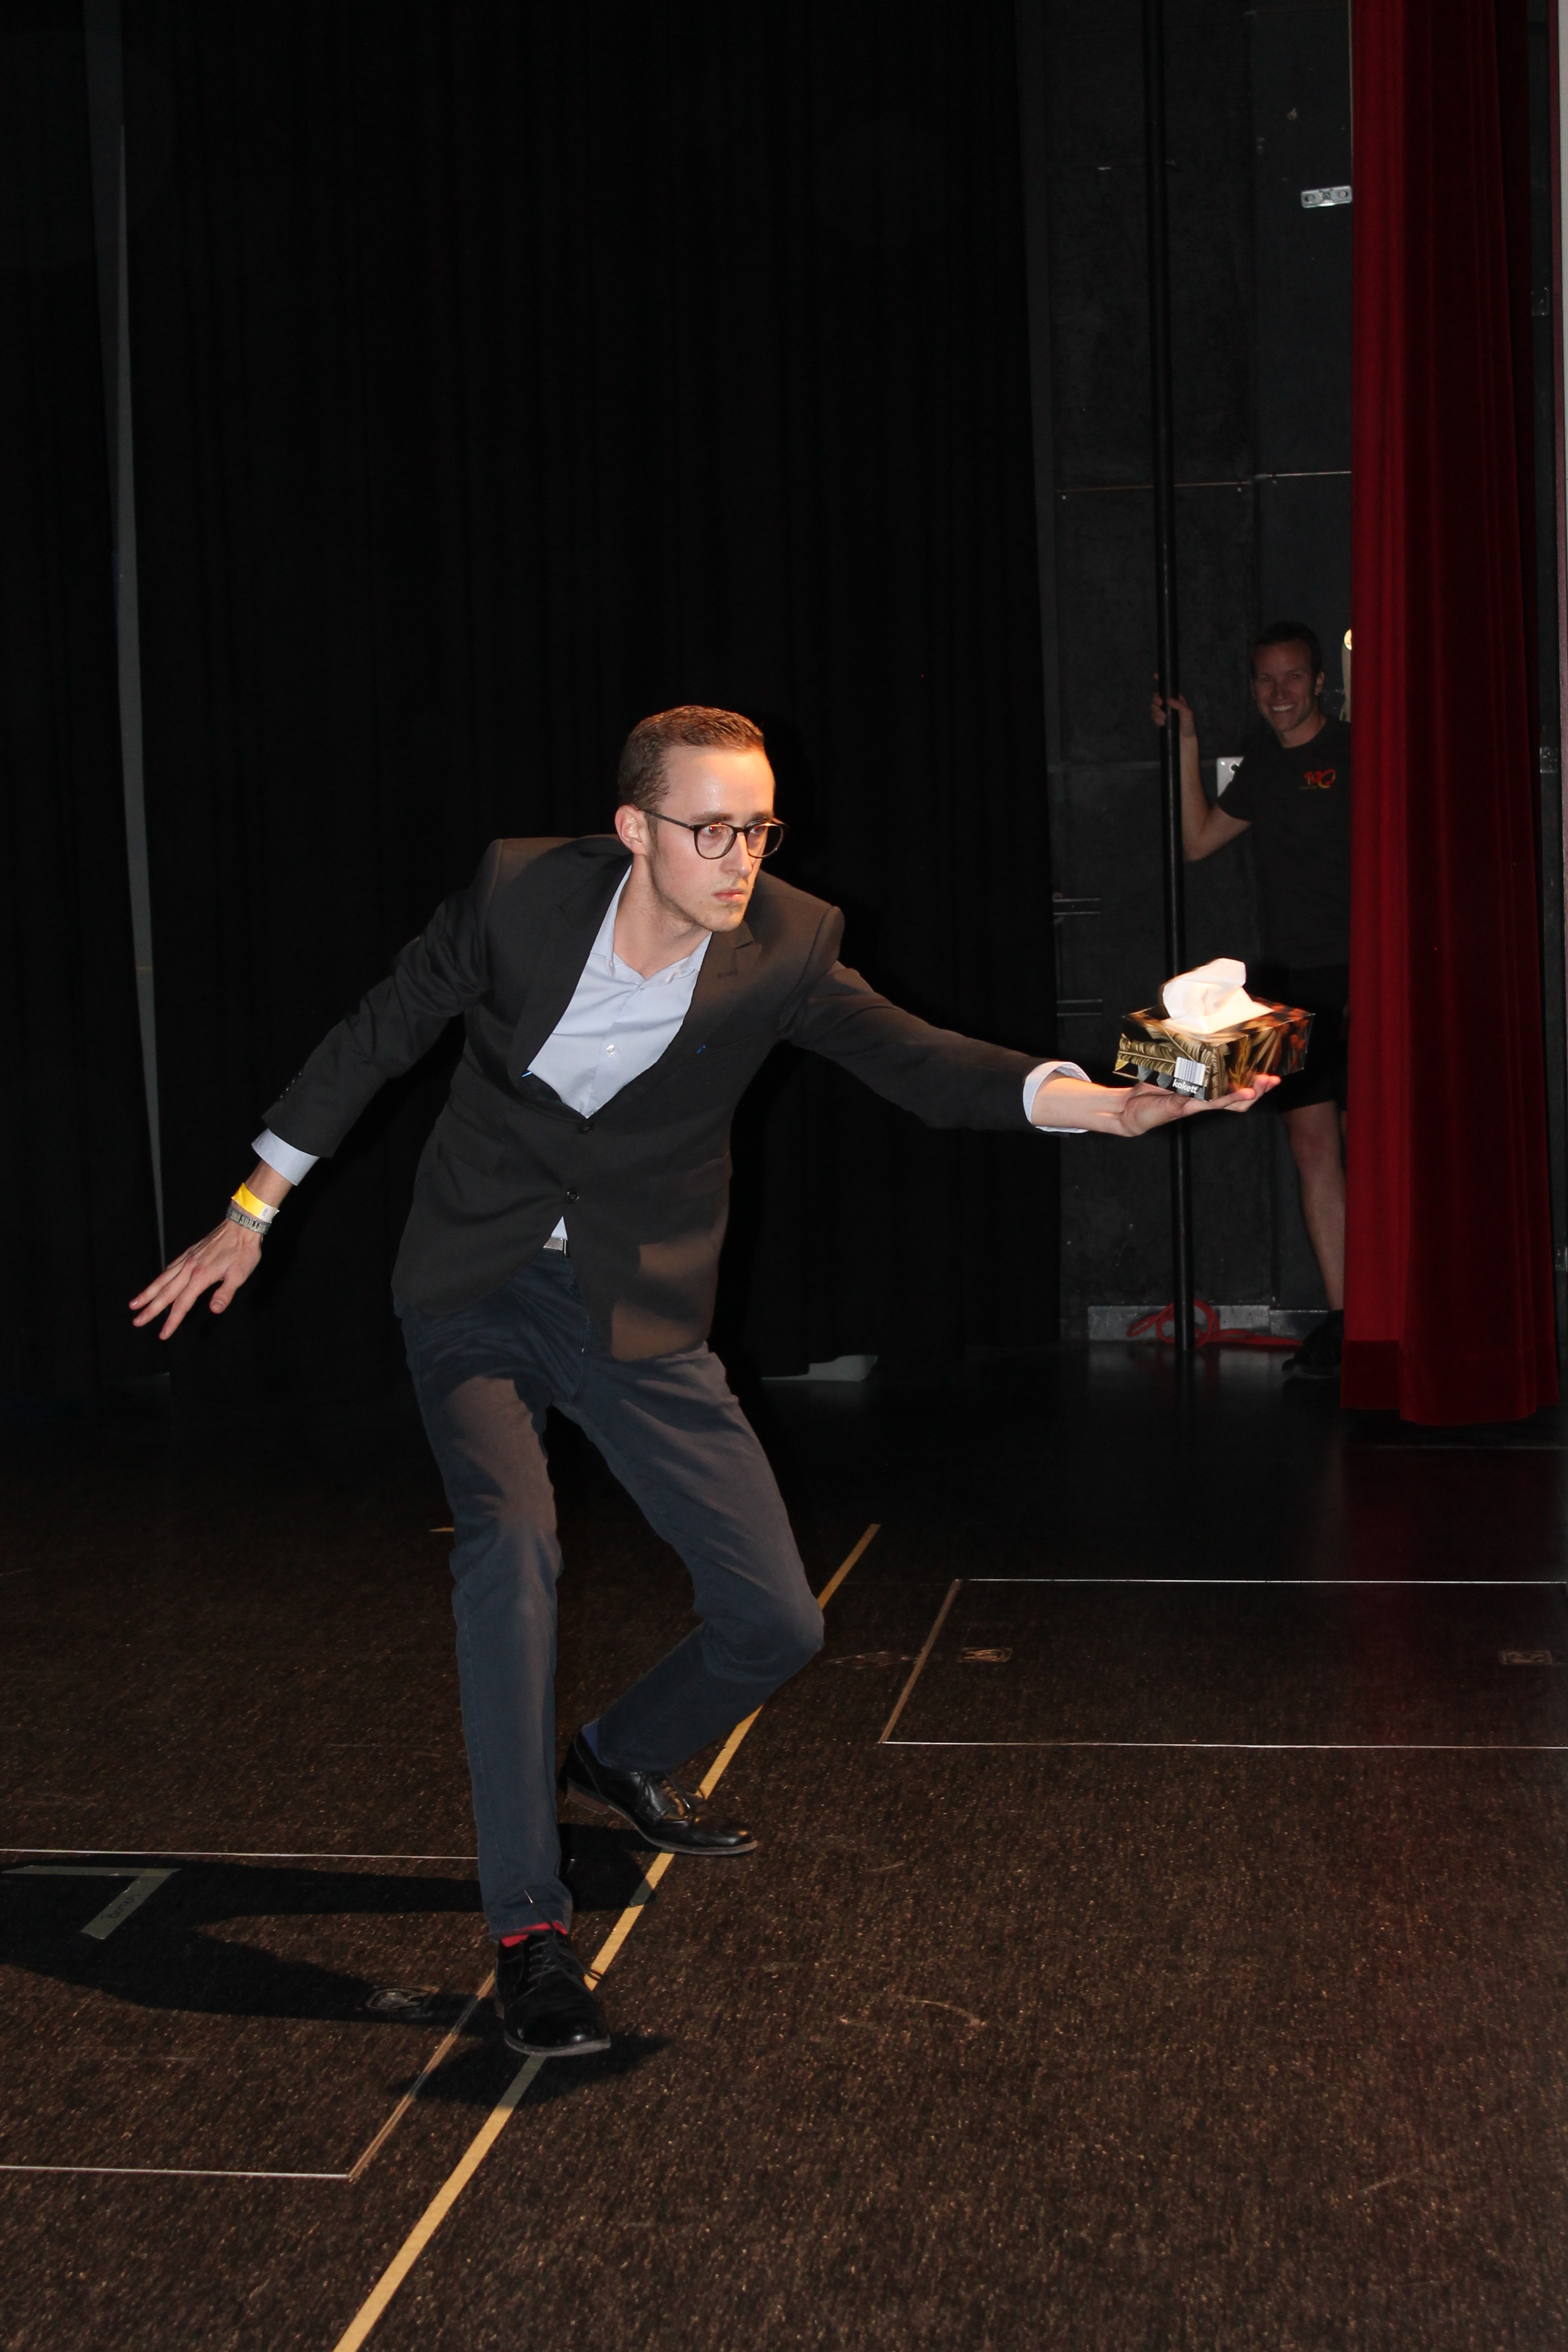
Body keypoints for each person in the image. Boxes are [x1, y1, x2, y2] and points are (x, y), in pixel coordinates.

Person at [130, 705, 1275, 2059]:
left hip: (638, 1303)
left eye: (759, 829)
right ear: (634, 829)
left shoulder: (787, 942)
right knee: (510, 1547)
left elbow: (922, 1063)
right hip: (475, 1281)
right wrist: (251, 1213)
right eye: (711, 830)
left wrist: (1114, 1106)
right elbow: (374, 1037)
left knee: (775, 1622)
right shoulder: (516, 896)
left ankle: (614, 1755)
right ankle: (528, 1930)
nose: (741, 859)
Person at [1152, 622, 1350, 1381]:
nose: (1279, 692)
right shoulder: (1265, 766)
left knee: (1375, 1146)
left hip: (1365, 971)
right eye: (1266, 679)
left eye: (1293, 677)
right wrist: (1187, 741)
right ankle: (1348, 1323)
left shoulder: (1356, 752)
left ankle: (1394, 1318)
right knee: (1312, 1148)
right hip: (1291, 983)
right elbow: (1198, 840)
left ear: (1319, 682)